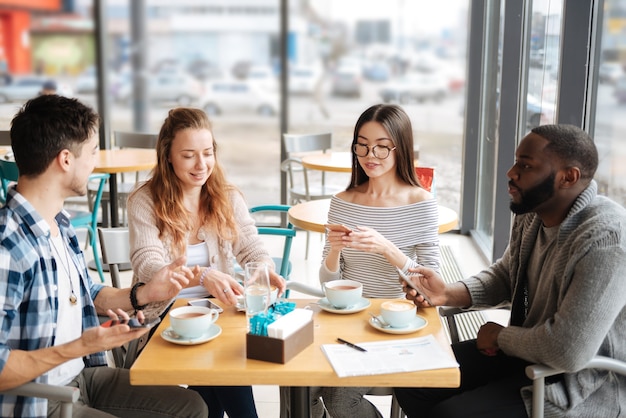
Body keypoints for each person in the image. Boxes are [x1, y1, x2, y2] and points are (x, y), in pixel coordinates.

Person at [394, 124, 626, 417]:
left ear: (569, 177)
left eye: (526, 165)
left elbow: (569, 352)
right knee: (412, 379)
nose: (511, 172)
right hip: (525, 353)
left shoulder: (607, 239)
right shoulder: (532, 211)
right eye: (517, 161)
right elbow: (508, 275)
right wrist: (447, 293)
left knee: (451, 413)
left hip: (578, 385)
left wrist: (501, 337)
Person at [0, 94, 208, 417]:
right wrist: (81, 346)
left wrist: (143, 294)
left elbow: (86, 293)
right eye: (93, 151)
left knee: (191, 407)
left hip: (82, 378)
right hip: (40, 400)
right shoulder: (8, 246)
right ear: (65, 160)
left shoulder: (59, 224)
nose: (96, 162)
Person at [126, 107, 286, 418]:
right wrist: (204, 276)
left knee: (218, 372)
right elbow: (149, 267)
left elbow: (253, 249)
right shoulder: (144, 201)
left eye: (208, 152)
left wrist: (262, 271)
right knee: (225, 370)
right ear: (168, 156)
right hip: (164, 321)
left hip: (217, 319)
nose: (202, 165)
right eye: (188, 155)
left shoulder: (226, 197)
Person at [313, 104, 441, 418]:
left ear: (401, 149)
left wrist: (388, 249)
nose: (371, 155)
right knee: (296, 385)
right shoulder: (342, 202)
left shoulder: (421, 204)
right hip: (345, 322)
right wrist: (334, 251)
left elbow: (435, 289)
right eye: (363, 145)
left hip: (395, 325)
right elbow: (329, 284)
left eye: (382, 147)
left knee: (341, 404)